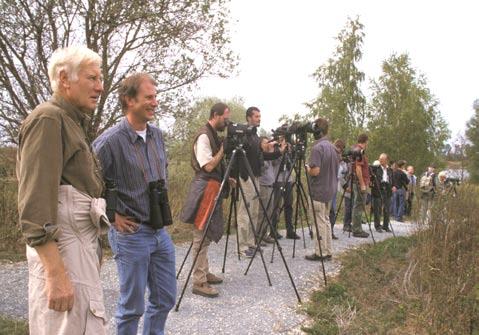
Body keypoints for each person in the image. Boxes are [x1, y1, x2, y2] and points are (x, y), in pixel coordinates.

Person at [17, 46, 108, 334]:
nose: (100, 86)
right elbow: (35, 206)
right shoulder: (48, 119)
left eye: (100, 78)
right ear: (64, 79)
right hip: (65, 251)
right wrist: (56, 275)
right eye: (92, 78)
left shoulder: (71, 121)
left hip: (77, 249)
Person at [93, 73, 176, 335]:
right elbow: (88, 185)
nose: (155, 102)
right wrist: (110, 215)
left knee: (165, 299)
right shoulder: (109, 141)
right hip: (131, 234)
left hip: (159, 231)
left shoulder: (158, 136)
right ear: (129, 100)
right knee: (132, 307)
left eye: (155, 96)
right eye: (149, 97)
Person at [180, 102, 232, 298]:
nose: (226, 123)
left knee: (206, 235)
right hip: (205, 190)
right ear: (215, 115)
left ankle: (203, 271)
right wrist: (223, 150)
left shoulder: (212, 134)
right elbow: (208, 167)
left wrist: (229, 179)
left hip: (212, 187)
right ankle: (199, 281)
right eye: (224, 118)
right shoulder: (204, 136)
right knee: (200, 236)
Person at [236, 107, 282, 257]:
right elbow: (237, 156)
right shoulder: (244, 134)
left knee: (255, 212)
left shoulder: (255, 136)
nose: (259, 119)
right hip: (246, 177)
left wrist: (279, 152)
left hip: (256, 176)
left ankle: (251, 242)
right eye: (256, 116)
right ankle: (242, 247)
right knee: (245, 212)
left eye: (259, 116)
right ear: (249, 117)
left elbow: (262, 157)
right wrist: (240, 175)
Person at [305, 118, 339, 261]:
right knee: (325, 220)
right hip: (330, 189)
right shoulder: (333, 147)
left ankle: (320, 253)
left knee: (319, 222)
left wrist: (307, 168)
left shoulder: (317, 148)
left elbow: (316, 171)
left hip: (318, 190)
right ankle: (328, 250)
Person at [271, 136, 298, 240]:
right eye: (282, 139)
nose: (284, 142)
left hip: (288, 179)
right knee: (276, 206)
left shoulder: (289, 148)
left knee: (289, 205)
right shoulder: (274, 147)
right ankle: (273, 230)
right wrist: (281, 151)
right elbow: (273, 162)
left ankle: (290, 230)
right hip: (277, 179)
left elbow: (292, 163)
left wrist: (291, 151)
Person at [257, 137, 282, 244]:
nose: (268, 144)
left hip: (270, 185)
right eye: (265, 142)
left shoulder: (268, 155)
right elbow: (263, 168)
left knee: (269, 211)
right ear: (260, 144)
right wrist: (270, 152)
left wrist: (278, 150)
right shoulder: (260, 155)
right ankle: (258, 235)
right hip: (263, 185)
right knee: (262, 212)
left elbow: (276, 163)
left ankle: (264, 234)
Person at [351, 134, 370, 238]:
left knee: (358, 205)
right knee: (358, 205)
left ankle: (357, 228)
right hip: (360, 183)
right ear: (365, 141)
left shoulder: (355, 149)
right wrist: (362, 184)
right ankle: (357, 229)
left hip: (359, 182)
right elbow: (358, 168)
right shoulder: (359, 151)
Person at [370, 153, 393, 232]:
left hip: (387, 189)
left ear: (386, 160)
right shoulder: (376, 168)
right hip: (378, 188)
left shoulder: (390, 170)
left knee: (387, 208)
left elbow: (392, 179)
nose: (380, 160)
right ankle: (377, 226)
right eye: (380, 159)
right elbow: (370, 173)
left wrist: (393, 186)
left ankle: (385, 226)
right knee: (377, 208)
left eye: (382, 159)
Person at [329, 139, 345, 239]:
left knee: (333, 210)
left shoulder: (339, 159)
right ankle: (328, 231)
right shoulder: (332, 156)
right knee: (329, 210)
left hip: (334, 186)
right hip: (329, 186)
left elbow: (341, 173)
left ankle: (330, 230)